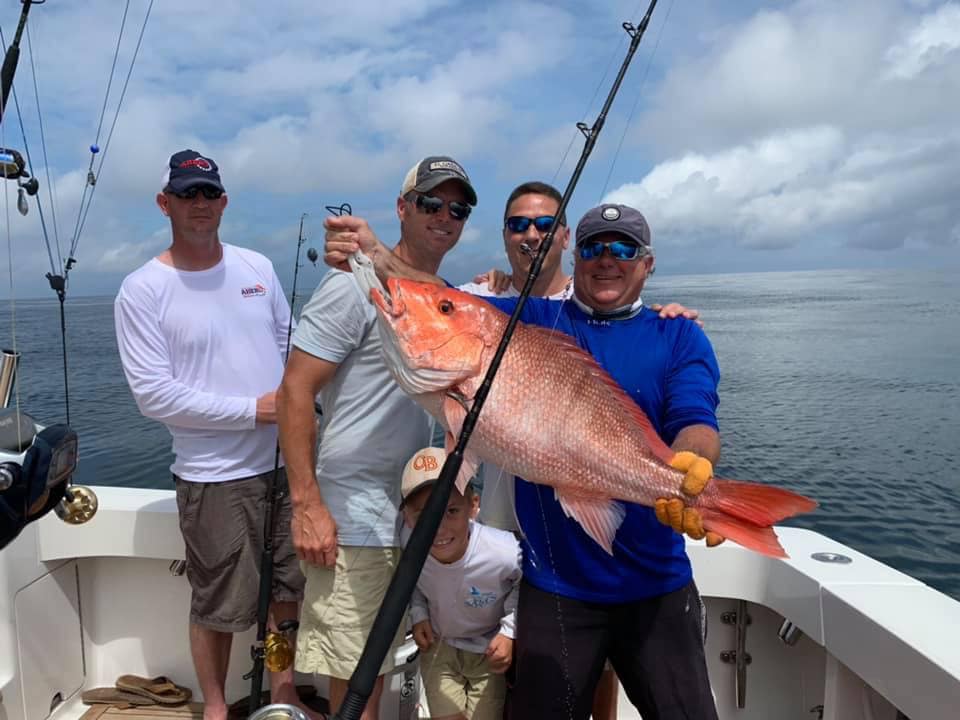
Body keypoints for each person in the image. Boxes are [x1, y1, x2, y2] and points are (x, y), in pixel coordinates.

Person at [322, 201, 724, 720]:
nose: (608, 259)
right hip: (556, 588)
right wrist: (375, 255)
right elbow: (439, 300)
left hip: (656, 584)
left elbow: (696, 418)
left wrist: (691, 468)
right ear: (574, 258)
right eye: (594, 248)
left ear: (647, 264)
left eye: (624, 248)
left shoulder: (679, 333)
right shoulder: (529, 319)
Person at [276, 156, 478, 719]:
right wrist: (307, 506)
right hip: (354, 519)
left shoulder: (445, 298)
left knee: (386, 667)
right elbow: (295, 391)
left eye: (457, 208)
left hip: (412, 516)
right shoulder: (351, 285)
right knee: (358, 680)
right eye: (430, 202)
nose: (444, 215)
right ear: (402, 207)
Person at [114, 150, 307, 720]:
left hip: (284, 461)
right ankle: (218, 708)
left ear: (223, 201)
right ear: (164, 203)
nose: (199, 204)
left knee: (286, 589)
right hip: (214, 476)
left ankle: (283, 693)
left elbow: (291, 349)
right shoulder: (143, 289)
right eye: (187, 194)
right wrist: (257, 410)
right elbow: (154, 395)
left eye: (208, 194)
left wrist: (298, 411)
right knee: (218, 602)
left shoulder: (258, 268)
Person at [399, 447, 521, 720]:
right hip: (439, 647)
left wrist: (509, 632)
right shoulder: (409, 543)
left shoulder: (503, 551)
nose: (438, 527)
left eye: (451, 511)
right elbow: (414, 580)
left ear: (473, 505)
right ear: (407, 518)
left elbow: (528, 582)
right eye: (423, 515)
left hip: (488, 653)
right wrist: (418, 614)